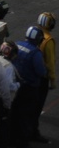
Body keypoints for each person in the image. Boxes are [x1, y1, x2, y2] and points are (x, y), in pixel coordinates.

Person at [12, 26, 48, 147]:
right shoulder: (35, 52)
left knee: (14, 112)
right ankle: (22, 141)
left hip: (15, 85)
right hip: (29, 88)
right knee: (26, 115)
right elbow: (41, 72)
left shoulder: (17, 45)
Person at [31, 12, 56, 143]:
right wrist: (53, 80)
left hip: (30, 75)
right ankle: (33, 132)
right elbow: (50, 63)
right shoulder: (48, 40)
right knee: (37, 106)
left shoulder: (34, 34)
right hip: (42, 77)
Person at [0, 40, 21, 148]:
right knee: (3, 128)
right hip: (2, 101)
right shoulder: (8, 66)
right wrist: (18, 85)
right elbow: (9, 86)